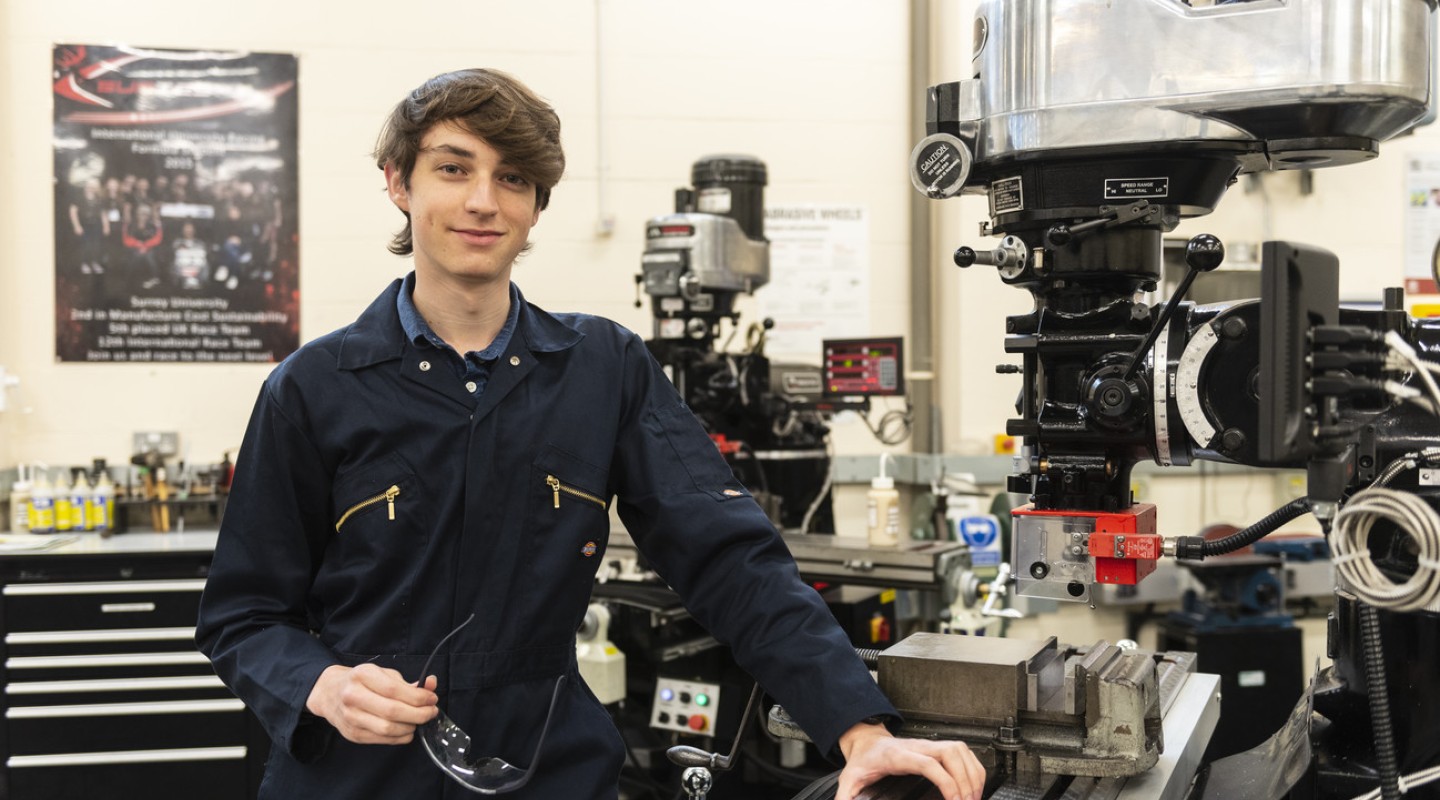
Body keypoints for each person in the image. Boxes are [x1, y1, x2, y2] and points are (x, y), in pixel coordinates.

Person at [195, 68, 985, 800]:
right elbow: (244, 614)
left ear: (537, 204)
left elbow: (728, 558)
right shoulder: (314, 387)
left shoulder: (601, 367)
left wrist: (859, 728)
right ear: (399, 183)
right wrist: (323, 686)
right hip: (356, 775)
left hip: (547, 767)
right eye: (454, 168)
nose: (483, 201)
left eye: (513, 178)